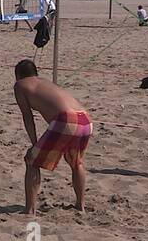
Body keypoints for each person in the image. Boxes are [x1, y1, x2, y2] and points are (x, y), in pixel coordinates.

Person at [13, 59, 92, 213]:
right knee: (76, 163)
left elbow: (27, 117)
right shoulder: (45, 82)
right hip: (85, 118)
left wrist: (34, 143)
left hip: (66, 119)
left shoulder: (20, 85)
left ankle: (30, 209)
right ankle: (80, 205)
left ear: (18, 75)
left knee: (31, 160)